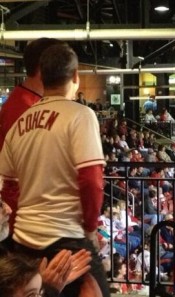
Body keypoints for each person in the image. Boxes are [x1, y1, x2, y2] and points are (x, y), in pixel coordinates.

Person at [0, 43, 109, 296]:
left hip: (25, 241)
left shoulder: (19, 123)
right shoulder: (81, 115)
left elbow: (8, 184)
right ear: (75, 76)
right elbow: (91, 179)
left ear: (43, 75)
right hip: (67, 239)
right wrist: (91, 230)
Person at [0, 38, 65, 238]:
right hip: (26, 220)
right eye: (61, 64)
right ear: (43, 67)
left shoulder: (30, 103)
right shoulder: (23, 109)